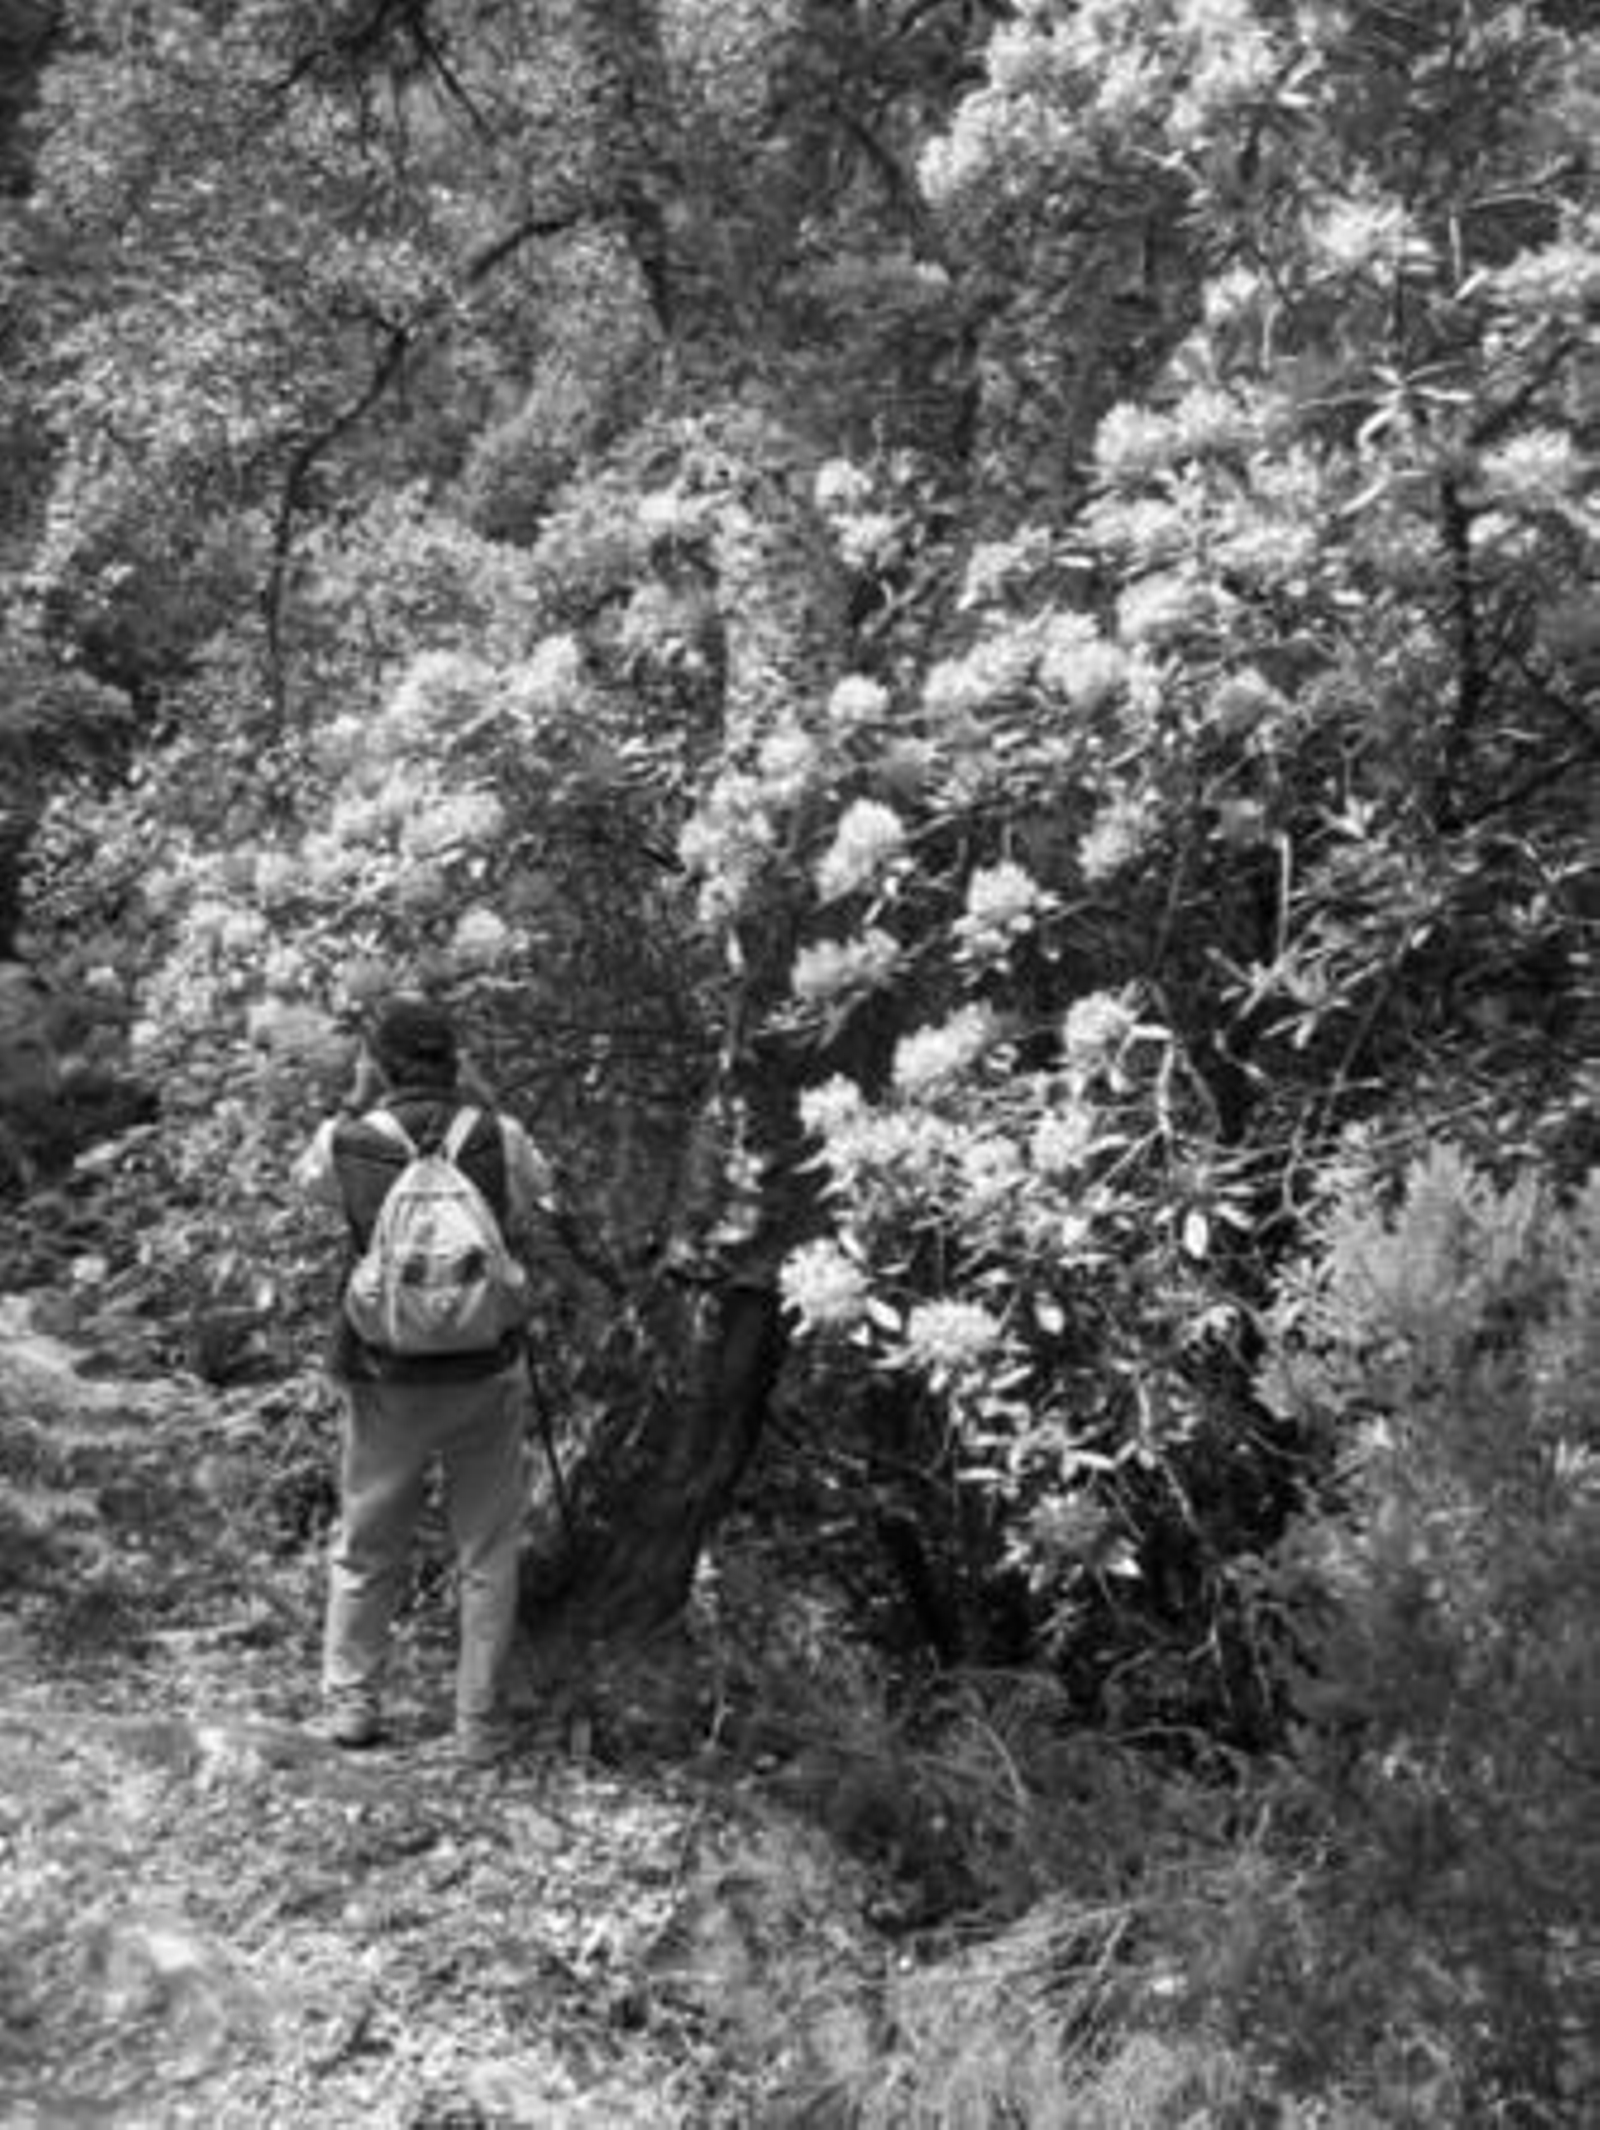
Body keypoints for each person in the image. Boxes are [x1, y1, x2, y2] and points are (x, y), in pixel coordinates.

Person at [294, 994, 555, 1767]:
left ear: (377, 1063)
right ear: (454, 1058)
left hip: (385, 1374)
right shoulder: (498, 1135)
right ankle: (478, 1725)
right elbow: (535, 1191)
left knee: (367, 1544)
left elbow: (310, 1188)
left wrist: (355, 1101)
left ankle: (352, 1706)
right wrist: (484, 1105)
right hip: (486, 1370)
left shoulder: (345, 1140)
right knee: (487, 1553)